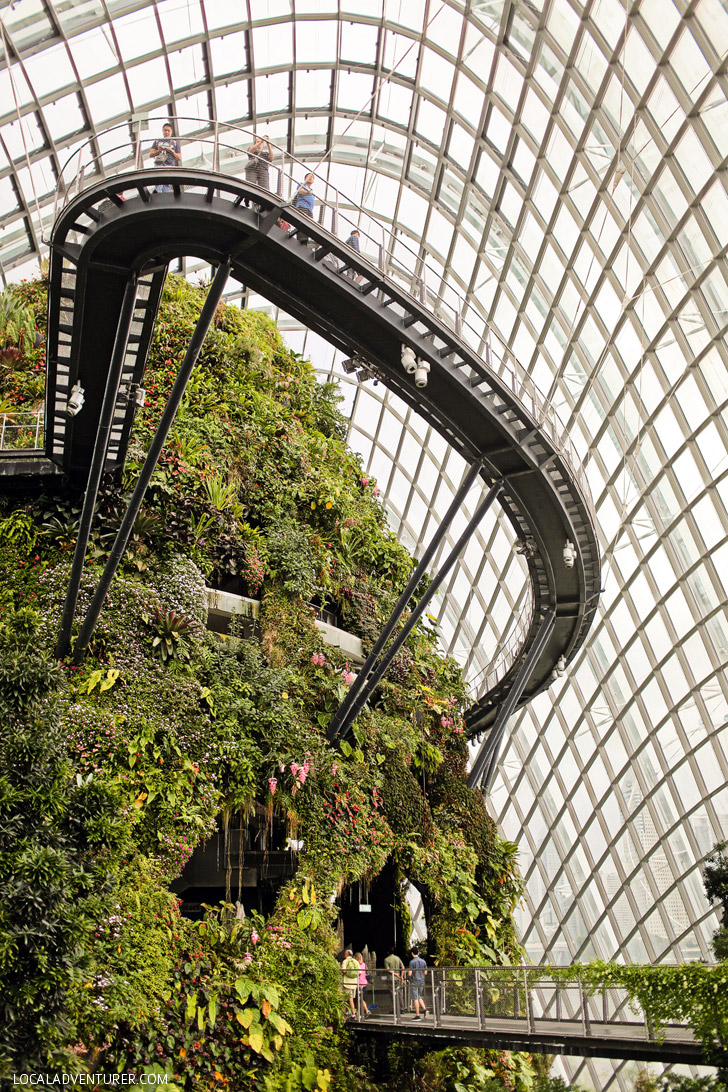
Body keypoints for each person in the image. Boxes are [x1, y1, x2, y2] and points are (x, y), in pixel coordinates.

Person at [149, 123, 181, 193]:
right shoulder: (157, 141)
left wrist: (171, 151)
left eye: (168, 131)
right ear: (162, 131)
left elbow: (179, 157)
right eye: (165, 130)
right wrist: (158, 151)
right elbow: (151, 154)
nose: (166, 132)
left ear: (171, 131)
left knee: (167, 183)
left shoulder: (175, 143)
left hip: (169, 165)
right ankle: (158, 194)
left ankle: (165, 196)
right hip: (159, 163)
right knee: (158, 181)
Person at [244, 135, 273, 203]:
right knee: (250, 185)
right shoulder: (253, 150)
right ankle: (247, 198)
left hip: (263, 170)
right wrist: (260, 142)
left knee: (265, 189)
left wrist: (268, 144)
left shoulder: (265, 154)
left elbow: (271, 157)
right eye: (257, 142)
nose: (259, 143)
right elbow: (250, 151)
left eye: (261, 142)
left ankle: (263, 203)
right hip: (253, 169)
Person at [408, 946, 427, 1019]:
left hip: (414, 981)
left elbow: (410, 973)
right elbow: (425, 972)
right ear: (418, 953)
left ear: (412, 953)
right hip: (421, 981)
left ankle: (417, 1015)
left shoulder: (412, 962)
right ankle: (425, 1010)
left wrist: (409, 976)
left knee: (415, 998)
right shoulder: (423, 961)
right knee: (419, 996)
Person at [341, 948, 360, 1018]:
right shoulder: (356, 962)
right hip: (354, 983)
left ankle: (353, 1013)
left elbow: (343, 970)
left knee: (349, 999)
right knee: (351, 998)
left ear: (346, 954)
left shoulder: (345, 961)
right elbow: (360, 972)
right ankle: (348, 1012)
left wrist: (347, 974)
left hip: (347, 983)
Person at [355, 951, 370, 1017]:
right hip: (364, 983)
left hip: (359, 983)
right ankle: (358, 1012)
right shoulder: (364, 964)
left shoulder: (356, 965)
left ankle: (366, 1010)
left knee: (360, 998)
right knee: (359, 998)